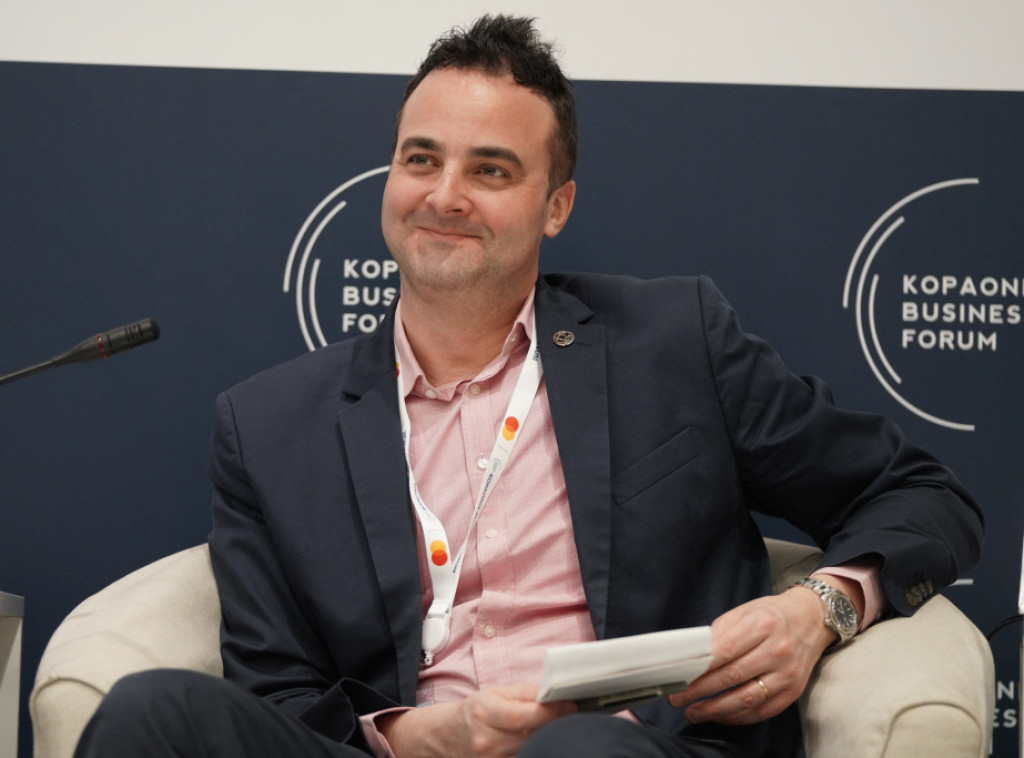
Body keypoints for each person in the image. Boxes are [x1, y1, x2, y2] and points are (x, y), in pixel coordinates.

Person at [74, 14, 983, 758]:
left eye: (490, 170)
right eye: (421, 159)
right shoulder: (268, 424)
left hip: (627, 745)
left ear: (557, 206)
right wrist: (425, 735)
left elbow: (919, 494)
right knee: (153, 712)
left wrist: (821, 609)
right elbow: (278, 694)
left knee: (576, 750)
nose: (445, 195)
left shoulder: (675, 343)